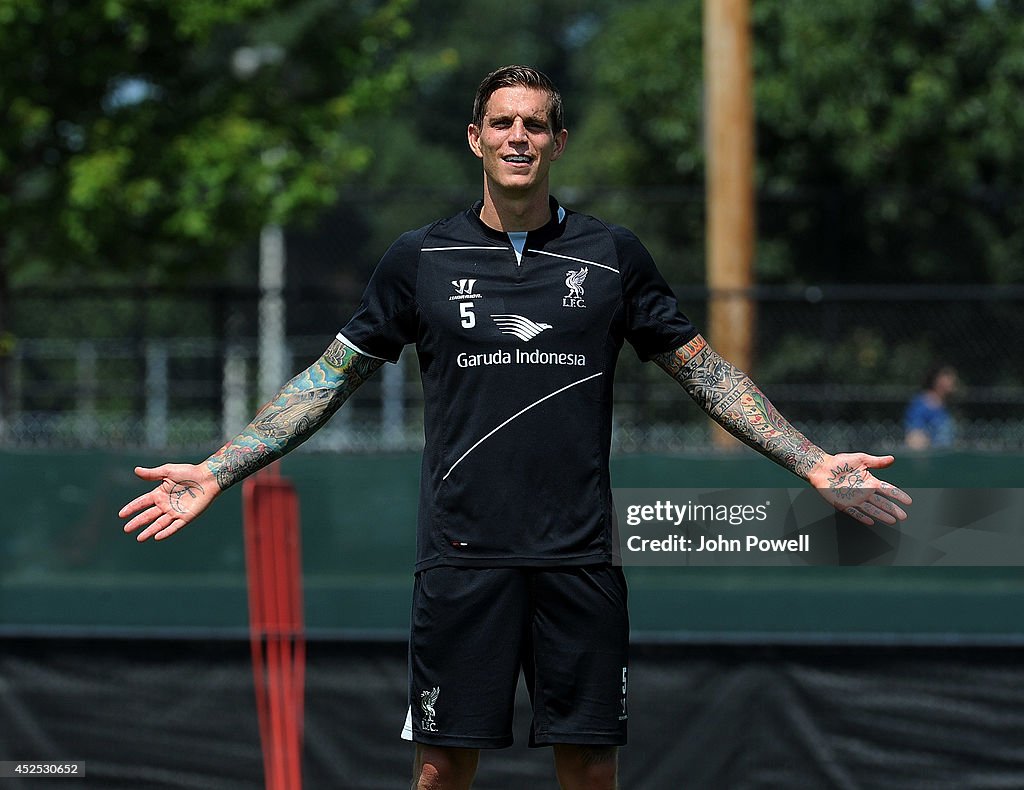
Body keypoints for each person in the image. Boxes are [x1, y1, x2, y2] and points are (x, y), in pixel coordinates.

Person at [118, 65, 913, 790]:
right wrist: (220, 468)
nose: (518, 138)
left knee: (592, 766)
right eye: (502, 124)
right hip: (462, 557)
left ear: (558, 142)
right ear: (475, 139)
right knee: (440, 767)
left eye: (535, 125)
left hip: (579, 556)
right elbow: (328, 379)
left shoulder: (613, 254)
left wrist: (812, 463)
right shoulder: (419, 256)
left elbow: (705, 373)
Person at [905, 364, 958, 449]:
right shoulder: (921, 404)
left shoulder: (943, 405)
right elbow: (914, 436)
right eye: (948, 378)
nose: (953, 382)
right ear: (938, 380)